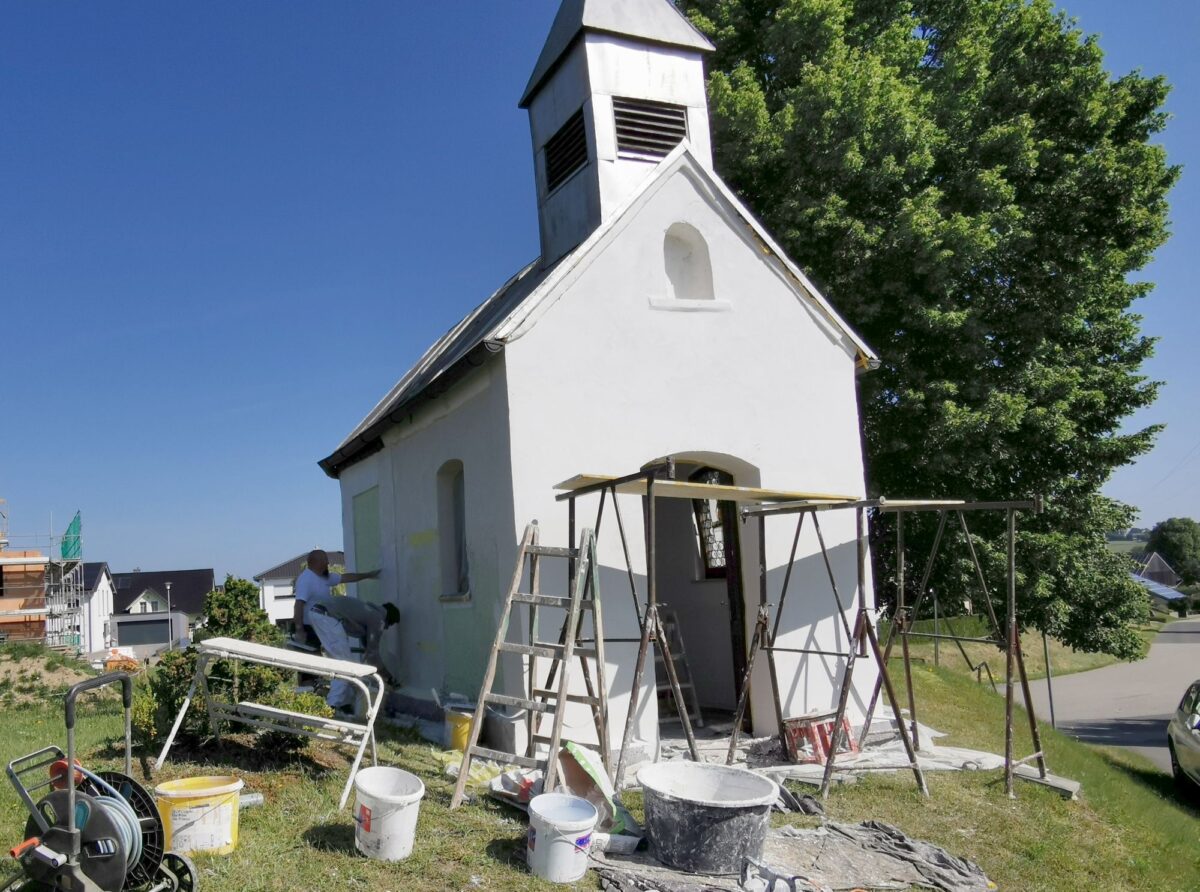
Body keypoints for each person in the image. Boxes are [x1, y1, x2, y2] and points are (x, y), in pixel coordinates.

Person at [291, 549, 383, 716]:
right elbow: (298, 605)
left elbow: (346, 577)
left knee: (335, 662)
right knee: (313, 668)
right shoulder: (306, 579)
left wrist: (367, 575)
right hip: (309, 627)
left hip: (322, 623)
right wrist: (299, 630)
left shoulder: (324, 577)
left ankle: (340, 702)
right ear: (315, 562)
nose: (328, 564)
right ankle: (327, 704)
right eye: (325, 561)